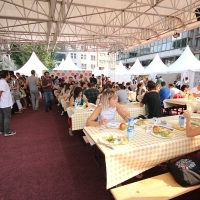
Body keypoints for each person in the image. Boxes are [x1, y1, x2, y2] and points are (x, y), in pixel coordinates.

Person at [0, 70, 16, 136]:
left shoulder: (2, 82)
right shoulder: (3, 82)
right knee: (7, 117)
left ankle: (2, 130)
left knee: (1, 116)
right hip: (5, 103)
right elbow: (0, 92)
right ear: (6, 75)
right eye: (9, 74)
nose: (9, 75)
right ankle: (7, 131)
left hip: (2, 103)